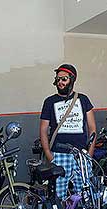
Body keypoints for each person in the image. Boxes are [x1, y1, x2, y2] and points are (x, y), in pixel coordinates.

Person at [39, 64, 96, 199]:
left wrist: (90, 154)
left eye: (64, 79)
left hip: (81, 155)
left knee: (85, 195)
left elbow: (92, 128)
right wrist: (49, 154)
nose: (60, 82)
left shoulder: (83, 99)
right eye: (58, 79)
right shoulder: (49, 102)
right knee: (59, 196)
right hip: (59, 155)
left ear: (72, 79)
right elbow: (43, 130)